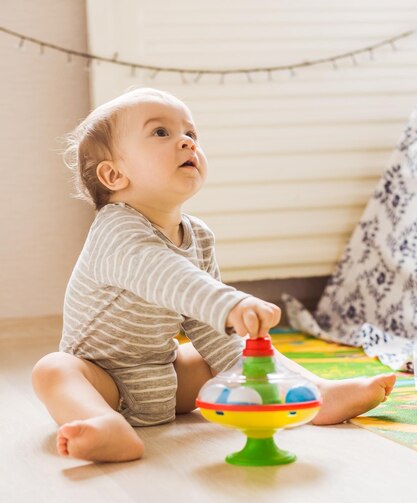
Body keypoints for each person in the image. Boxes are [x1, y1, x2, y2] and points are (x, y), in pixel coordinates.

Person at [31, 87, 396, 463]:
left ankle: (314, 393)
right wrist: (229, 303)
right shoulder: (115, 230)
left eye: (191, 134)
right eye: (161, 133)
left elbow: (207, 324)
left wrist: (231, 324)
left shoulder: (198, 235)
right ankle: (102, 423)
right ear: (114, 174)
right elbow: (167, 275)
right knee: (54, 369)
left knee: (226, 353)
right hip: (104, 379)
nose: (187, 143)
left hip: (166, 377)